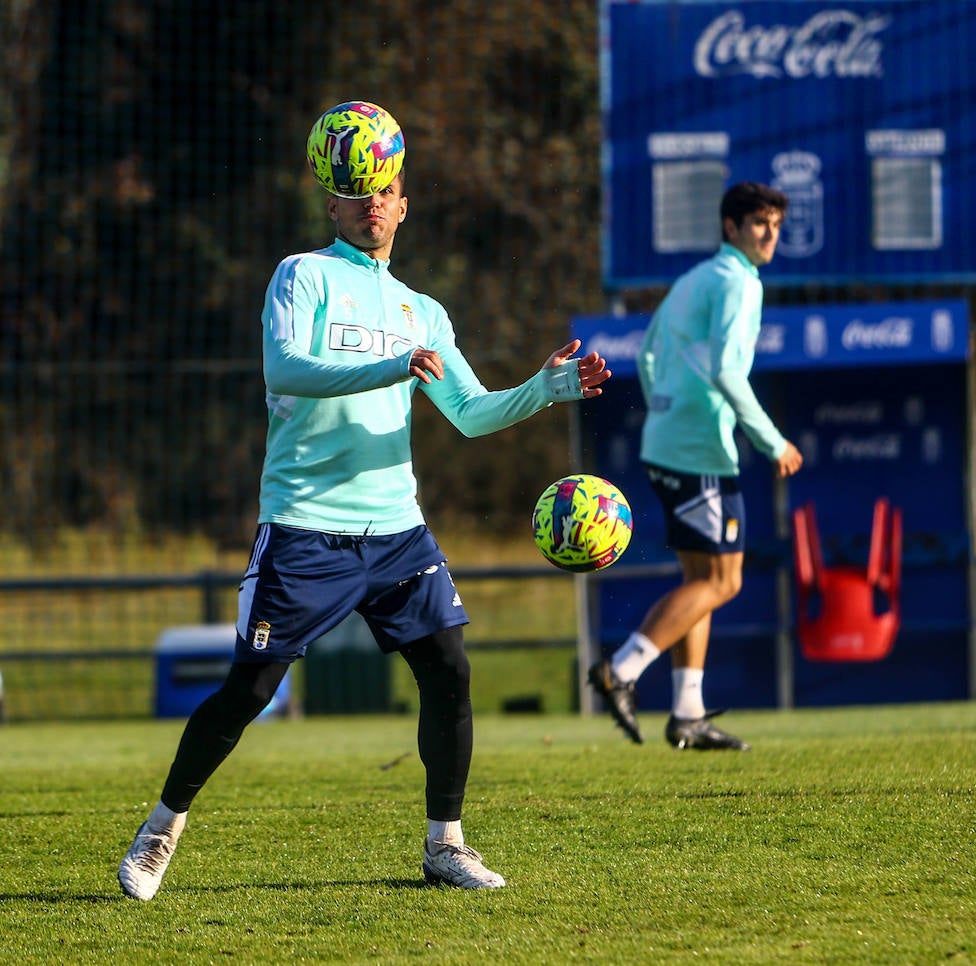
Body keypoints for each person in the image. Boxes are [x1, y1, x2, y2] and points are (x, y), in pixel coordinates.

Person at [117, 129, 610, 900]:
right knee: (249, 690)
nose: (371, 202)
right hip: (306, 522)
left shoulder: (423, 310)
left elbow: (472, 414)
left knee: (448, 670)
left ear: (403, 207)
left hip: (397, 529)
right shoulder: (302, 276)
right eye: (356, 192)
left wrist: (544, 390)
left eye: (384, 191)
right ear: (333, 205)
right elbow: (285, 367)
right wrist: (391, 365)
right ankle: (161, 829)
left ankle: (444, 844)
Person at [586, 181, 803, 751]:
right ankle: (623, 671)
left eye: (776, 225)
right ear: (731, 227)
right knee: (722, 580)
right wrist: (774, 441)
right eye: (760, 223)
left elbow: (651, 352)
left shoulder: (693, 279)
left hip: (670, 441)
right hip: (700, 451)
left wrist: (665, 409)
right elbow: (730, 374)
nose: (770, 234)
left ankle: (687, 712)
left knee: (699, 581)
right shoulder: (738, 283)